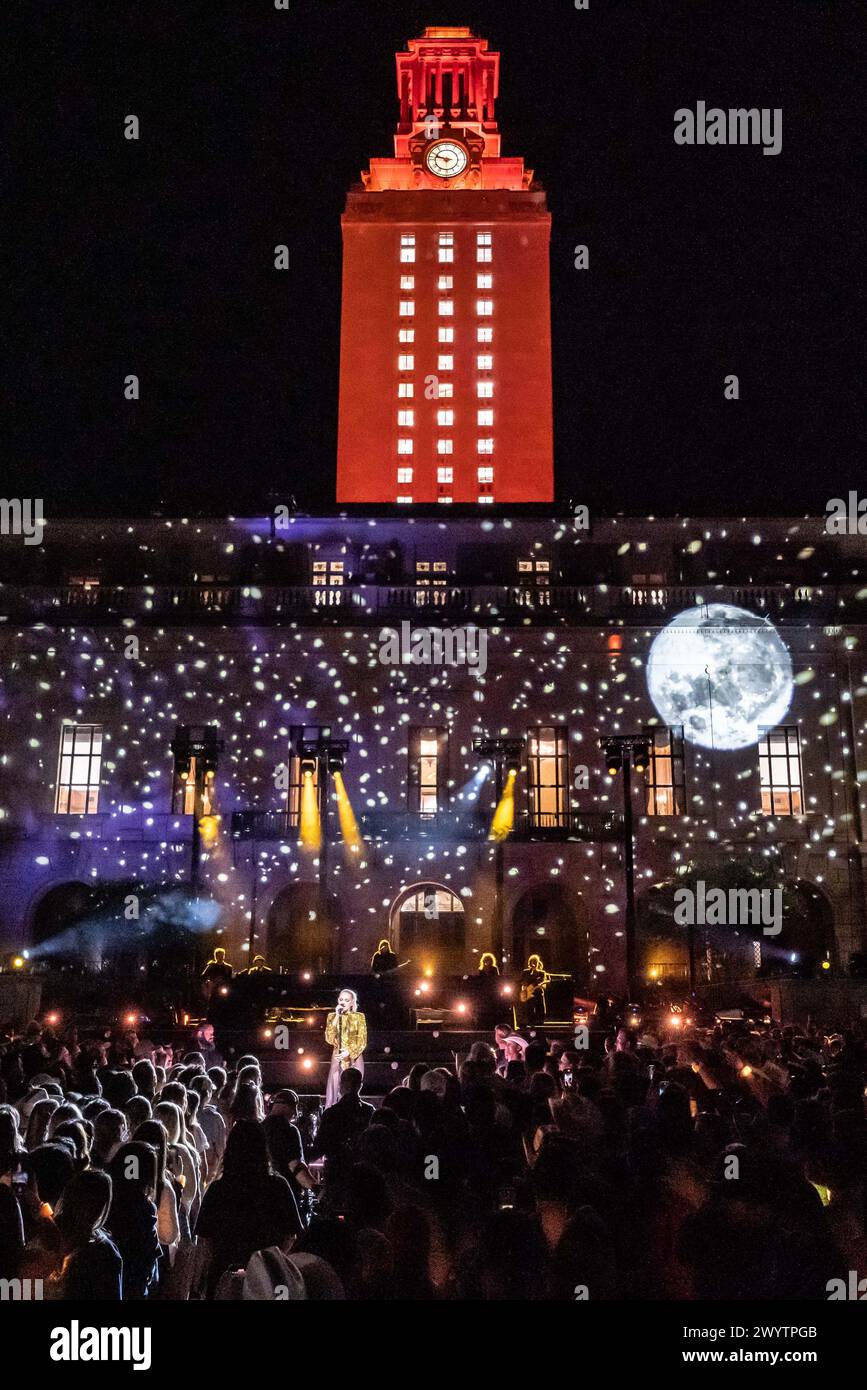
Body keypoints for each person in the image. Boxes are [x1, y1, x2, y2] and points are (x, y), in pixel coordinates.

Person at [193, 1119, 303, 1298]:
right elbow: (291, 1235)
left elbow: (206, 1242)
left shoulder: (218, 1189)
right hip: (267, 1277)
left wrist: (199, 1282)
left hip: (224, 1273)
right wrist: (273, 1261)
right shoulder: (278, 1186)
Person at [313, 1068, 374, 1162]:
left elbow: (321, 1146)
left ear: (340, 1085)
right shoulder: (369, 1111)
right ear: (360, 1086)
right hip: (363, 1169)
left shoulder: (331, 1113)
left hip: (337, 1169)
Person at [324, 989, 367, 1109]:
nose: (343, 1002)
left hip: (355, 1056)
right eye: (341, 999)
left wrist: (349, 1052)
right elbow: (329, 1038)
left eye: (346, 1000)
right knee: (333, 1091)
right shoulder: (332, 1016)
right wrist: (337, 1016)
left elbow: (362, 1040)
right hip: (337, 1056)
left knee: (352, 1088)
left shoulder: (359, 1017)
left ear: (352, 1002)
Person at [519, 954, 549, 1027]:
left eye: (535, 962)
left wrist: (533, 983)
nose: (533, 964)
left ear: (537, 963)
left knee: (539, 1006)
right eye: (532, 962)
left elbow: (540, 981)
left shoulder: (541, 973)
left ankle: (539, 1020)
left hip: (537, 992)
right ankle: (529, 1021)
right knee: (529, 1007)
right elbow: (521, 980)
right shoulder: (525, 972)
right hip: (528, 993)